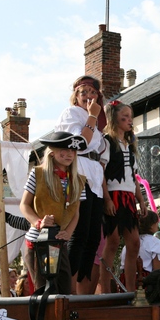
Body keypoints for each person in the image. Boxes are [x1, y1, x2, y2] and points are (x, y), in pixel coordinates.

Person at [54, 75, 109, 295]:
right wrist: (92, 116)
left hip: (94, 174)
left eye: (92, 92)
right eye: (82, 92)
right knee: (80, 230)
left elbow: (100, 152)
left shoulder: (97, 121)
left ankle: (83, 288)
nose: (88, 96)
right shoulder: (73, 114)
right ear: (75, 97)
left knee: (93, 235)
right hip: (79, 171)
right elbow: (80, 143)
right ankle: (70, 284)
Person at [20, 131, 87, 295]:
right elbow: (24, 205)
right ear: (52, 152)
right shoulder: (38, 174)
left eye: (73, 150)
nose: (69, 154)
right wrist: (38, 222)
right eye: (64, 149)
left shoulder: (79, 180)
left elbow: (76, 213)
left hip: (59, 241)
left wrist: (68, 233)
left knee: (64, 290)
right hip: (38, 242)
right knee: (43, 292)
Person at [98, 101, 148, 294]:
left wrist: (141, 200)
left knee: (134, 242)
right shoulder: (107, 141)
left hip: (128, 197)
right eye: (124, 117)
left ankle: (130, 290)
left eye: (130, 117)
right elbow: (100, 172)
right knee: (112, 241)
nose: (129, 120)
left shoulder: (130, 145)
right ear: (114, 118)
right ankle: (106, 291)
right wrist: (107, 199)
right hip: (113, 193)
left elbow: (134, 177)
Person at [119, 211, 160, 287]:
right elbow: (158, 271)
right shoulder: (156, 243)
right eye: (157, 223)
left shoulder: (128, 245)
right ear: (152, 225)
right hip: (145, 283)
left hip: (126, 283)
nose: (158, 226)